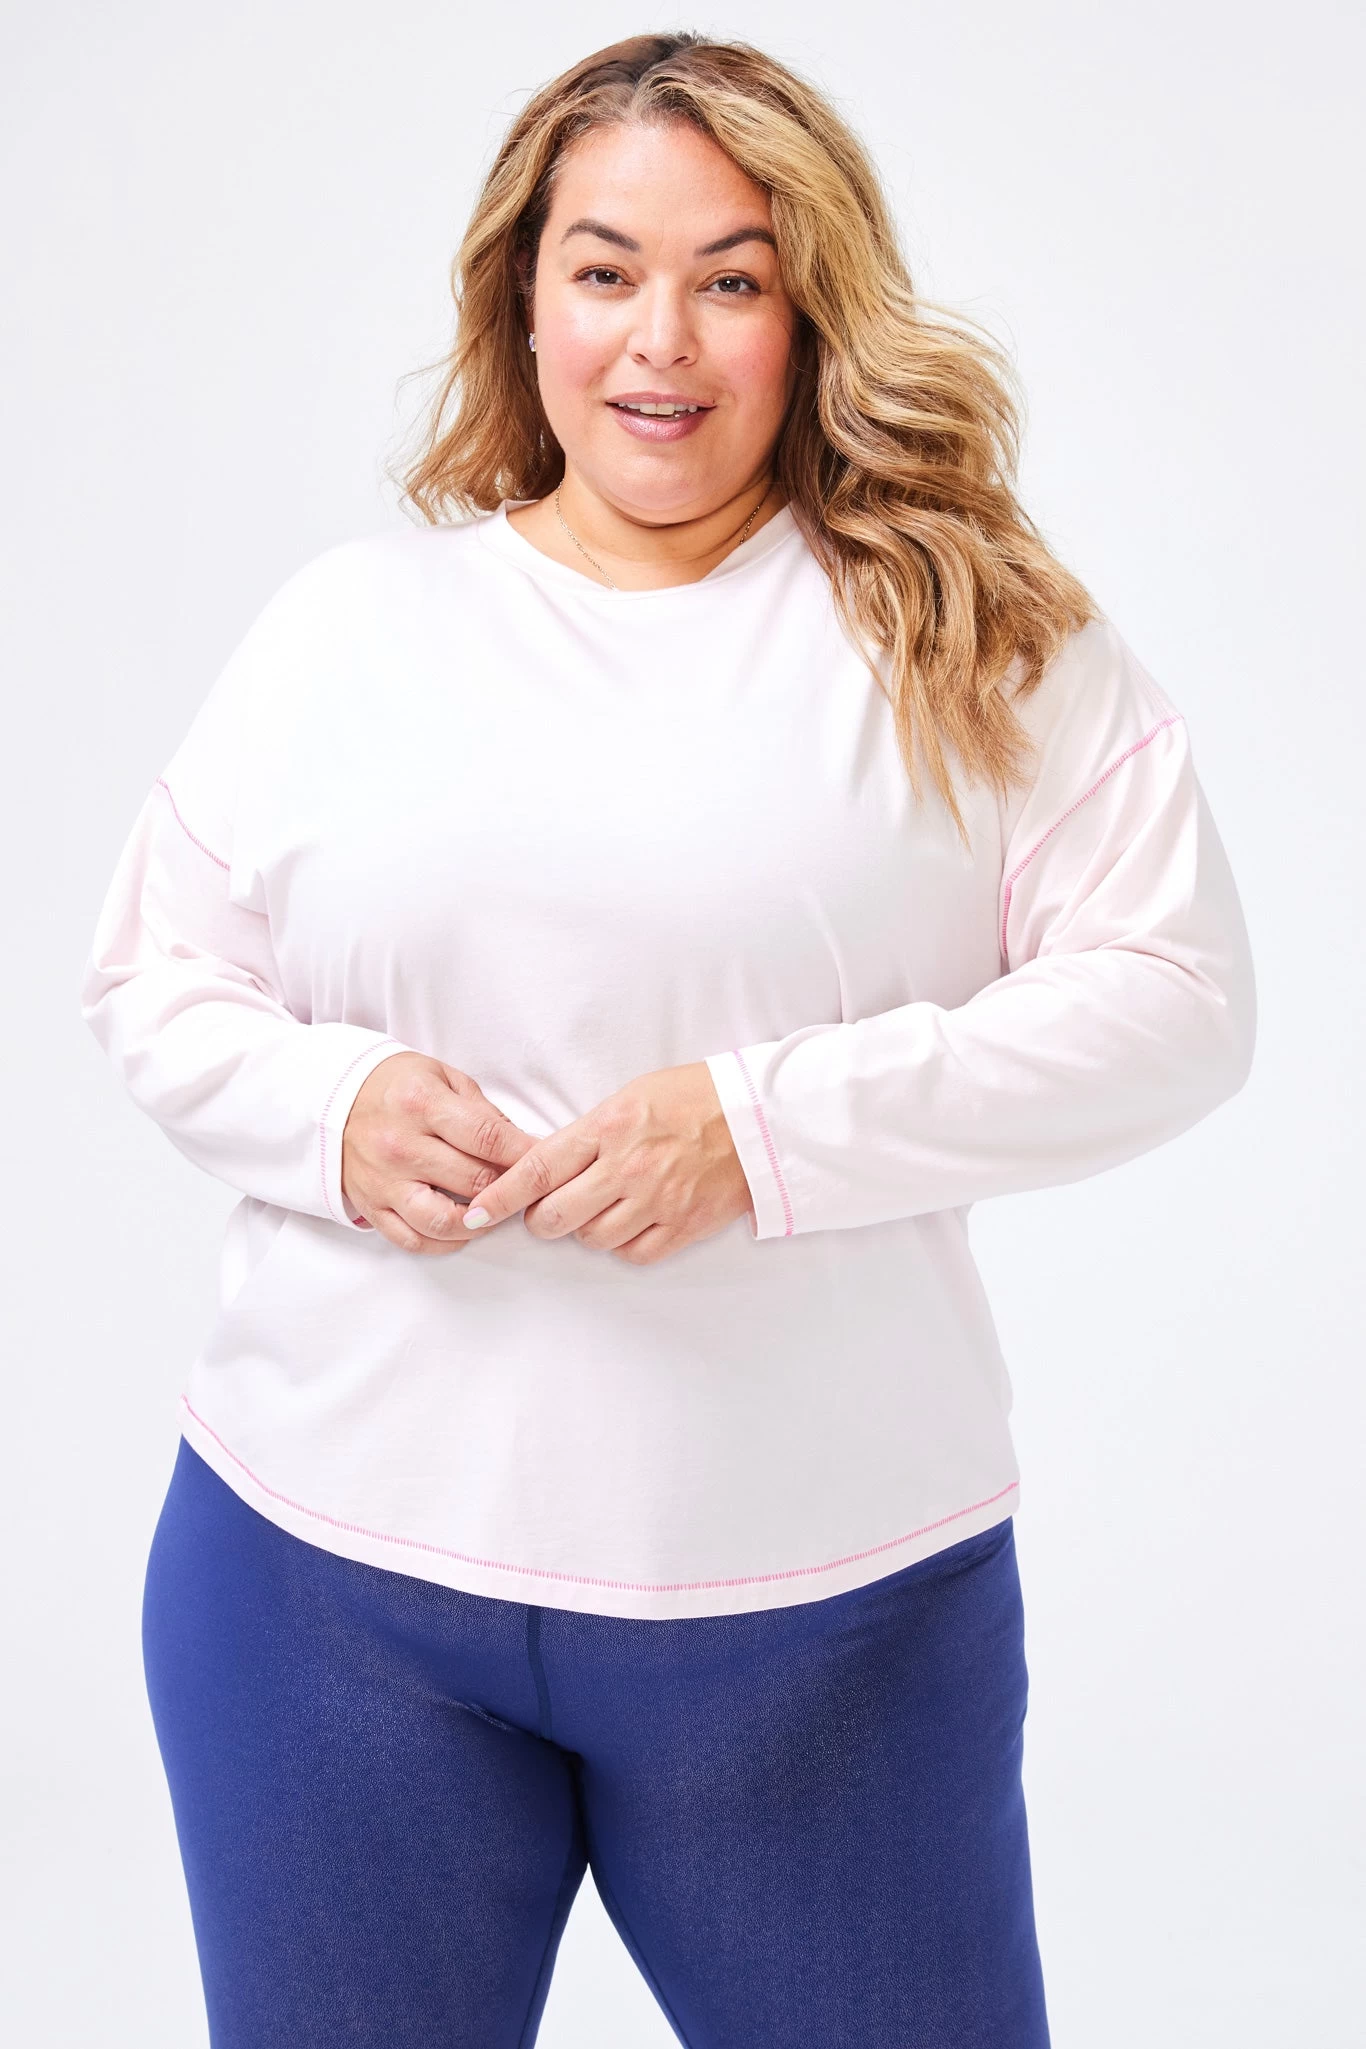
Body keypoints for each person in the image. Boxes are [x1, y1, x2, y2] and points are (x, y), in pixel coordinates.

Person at [79, 30, 1257, 2049]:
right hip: (320, 1590)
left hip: (822, 1619)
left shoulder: (973, 634)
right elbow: (149, 977)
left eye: (732, 278)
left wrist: (764, 1132)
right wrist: (331, 1106)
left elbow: (1176, 1001)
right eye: (605, 270)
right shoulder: (349, 631)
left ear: (812, 312)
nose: (661, 341)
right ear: (520, 300)